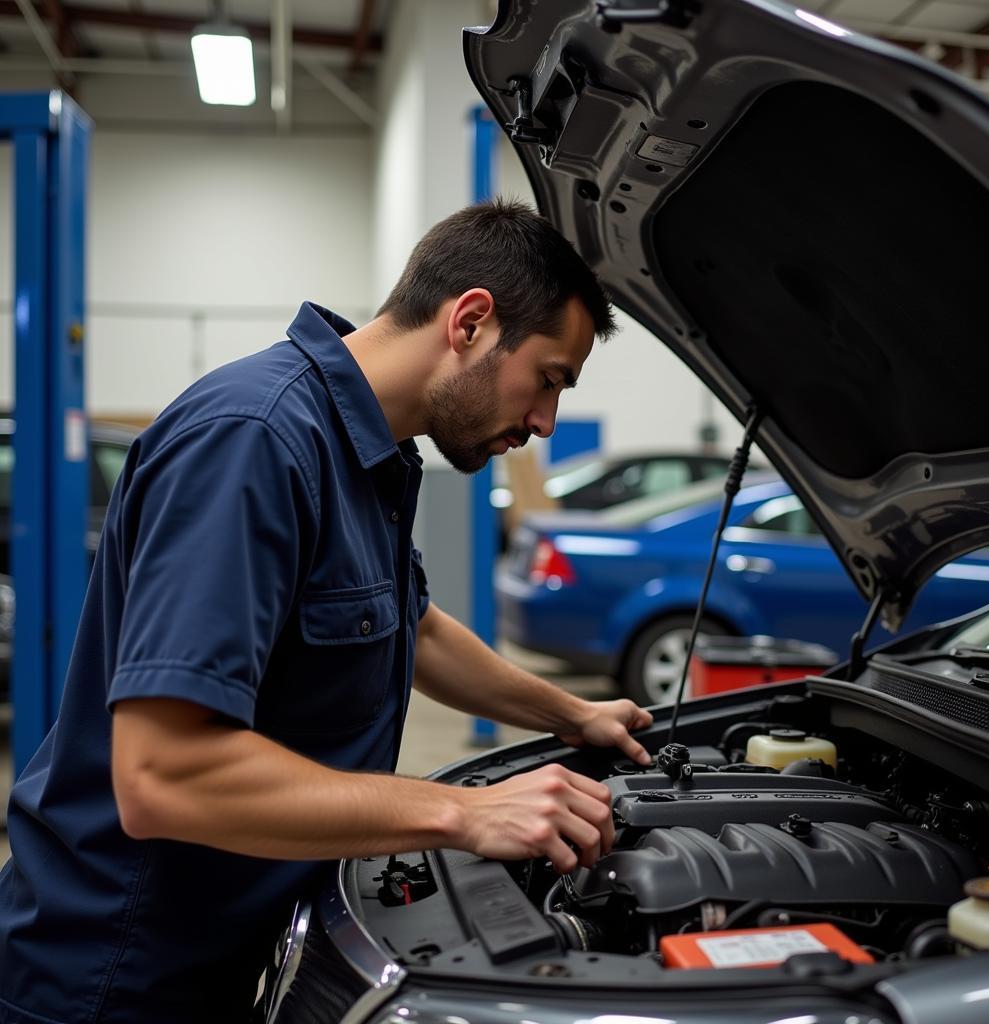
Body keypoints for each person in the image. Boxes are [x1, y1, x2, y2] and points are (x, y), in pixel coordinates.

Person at [0, 199, 653, 1023]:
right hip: (113, 976)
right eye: (549, 379)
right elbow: (162, 776)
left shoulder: (367, 449)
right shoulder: (256, 441)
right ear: (472, 322)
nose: (545, 422)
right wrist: (464, 811)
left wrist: (572, 713)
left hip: (222, 951)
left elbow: (411, 625)